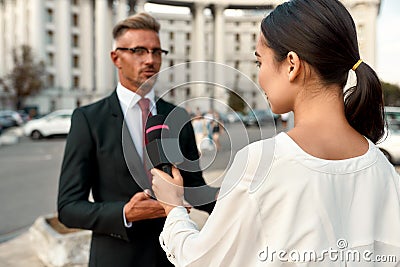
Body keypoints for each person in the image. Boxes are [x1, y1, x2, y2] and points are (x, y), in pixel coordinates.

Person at [151, 0, 400, 266]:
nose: (259, 77)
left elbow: (199, 260)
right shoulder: (383, 169)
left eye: (260, 63)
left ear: (291, 64)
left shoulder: (262, 163)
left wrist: (173, 206)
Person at [57, 13, 216, 267]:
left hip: (171, 256)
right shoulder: (88, 119)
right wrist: (125, 213)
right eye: (139, 51)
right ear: (116, 58)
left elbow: (196, 189)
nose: (150, 60)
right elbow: (68, 207)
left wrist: (241, 197)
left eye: (156, 52)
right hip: (116, 257)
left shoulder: (177, 115)